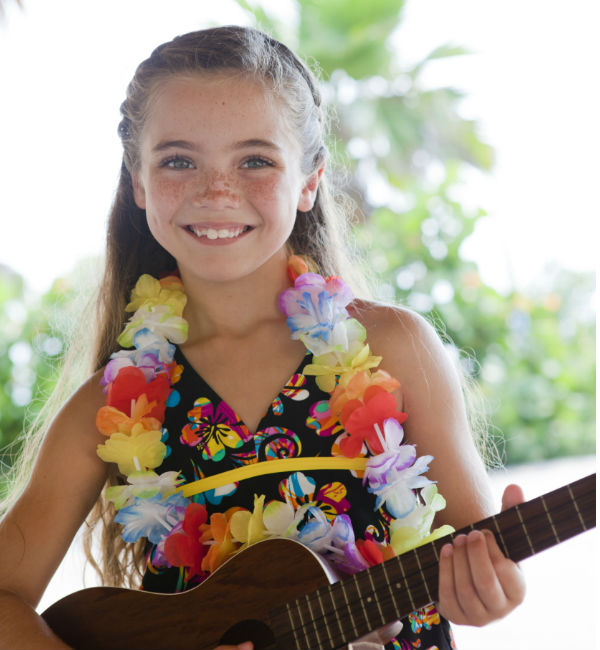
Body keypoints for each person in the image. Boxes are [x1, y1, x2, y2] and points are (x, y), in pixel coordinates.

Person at [0, 25, 525, 650]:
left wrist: (493, 591)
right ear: (138, 182)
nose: (216, 190)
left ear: (308, 181)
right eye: (177, 160)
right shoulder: (112, 408)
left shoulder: (394, 349)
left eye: (254, 160)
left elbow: (476, 561)